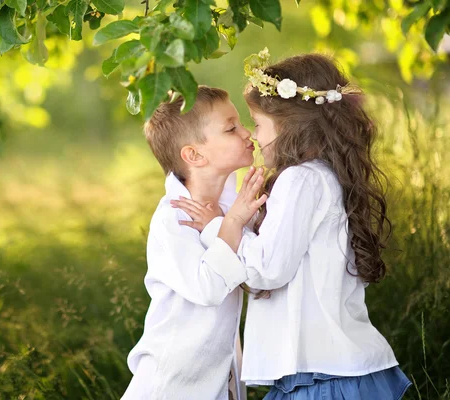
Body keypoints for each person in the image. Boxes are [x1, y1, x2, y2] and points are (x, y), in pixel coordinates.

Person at [172, 50, 412, 399]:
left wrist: (219, 226)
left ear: (289, 125)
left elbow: (268, 269)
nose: (253, 136)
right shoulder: (324, 176)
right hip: (333, 366)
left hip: (320, 374)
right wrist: (252, 220)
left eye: (257, 124)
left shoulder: (299, 180)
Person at [122, 86, 267, 400]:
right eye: (231, 128)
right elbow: (208, 288)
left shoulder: (233, 208)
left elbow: (255, 271)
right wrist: (231, 224)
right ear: (194, 155)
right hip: (171, 384)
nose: (247, 134)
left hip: (218, 380)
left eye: (242, 124)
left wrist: (228, 220)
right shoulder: (172, 219)